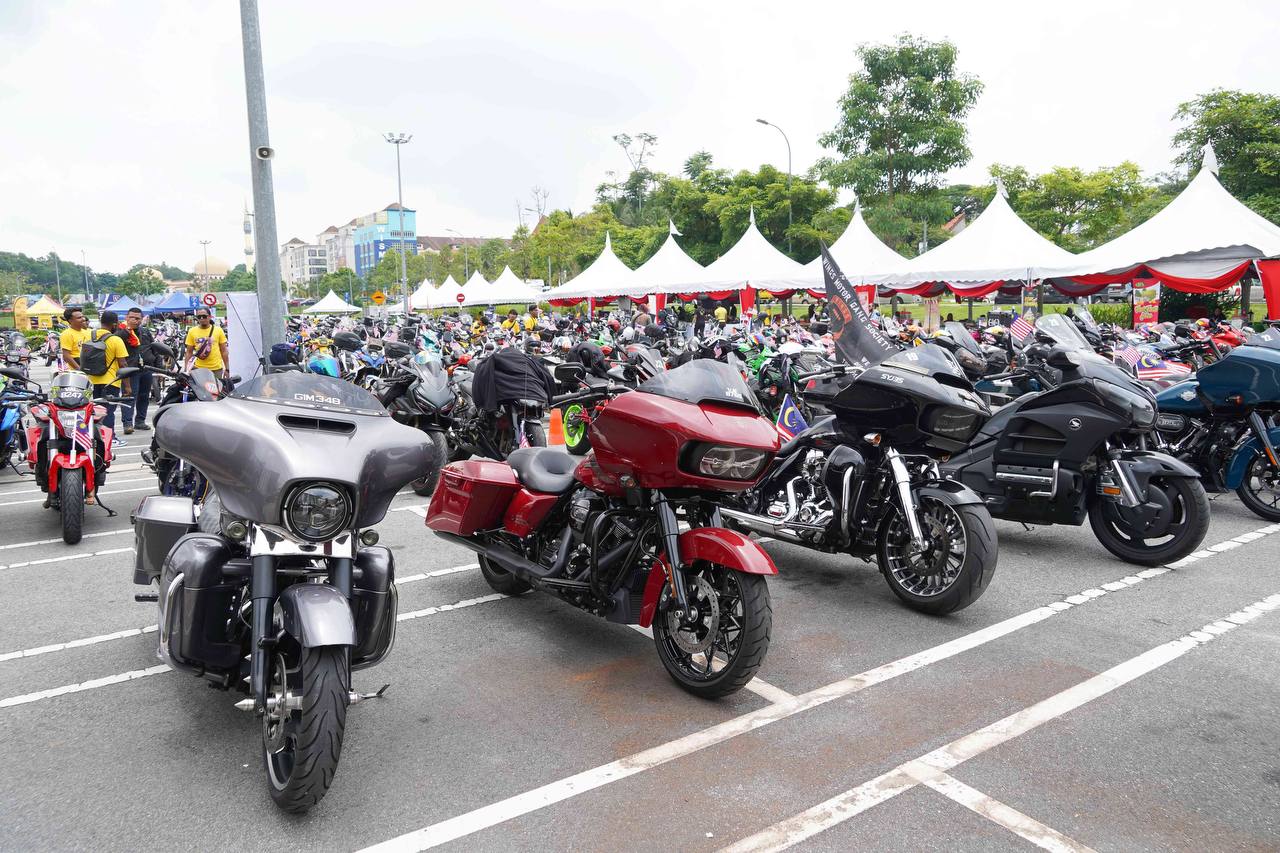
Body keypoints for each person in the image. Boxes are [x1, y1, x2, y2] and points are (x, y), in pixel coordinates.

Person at [85, 310, 131, 454]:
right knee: (108, 412)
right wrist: (127, 386)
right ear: (115, 323)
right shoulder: (116, 340)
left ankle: (95, 437)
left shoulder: (90, 335)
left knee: (96, 411)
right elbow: (123, 364)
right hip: (110, 381)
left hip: (92, 380)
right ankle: (110, 438)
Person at [121, 307, 155, 433]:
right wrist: (127, 330)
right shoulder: (121, 333)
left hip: (146, 368)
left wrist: (158, 367)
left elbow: (153, 348)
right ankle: (127, 423)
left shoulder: (145, 332)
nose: (134, 320)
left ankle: (140, 421)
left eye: (137, 318)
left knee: (144, 396)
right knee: (129, 396)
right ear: (126, 317)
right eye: (131, 317)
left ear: (141, 319)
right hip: (129, 370)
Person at [184, 308, 229, 378]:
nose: (201, 319)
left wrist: (227, 369)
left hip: (216, 370)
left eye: (204, 316)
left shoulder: (218, 330)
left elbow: (224, 351)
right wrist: (186, 369)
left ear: (210, 317)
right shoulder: (192, 331)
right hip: (198, 369)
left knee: (217, 389)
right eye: (199, 317)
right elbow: (189, 352)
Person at [58, 306, 91, 371]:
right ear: (70, 320)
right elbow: (66, 355)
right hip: (77, 371)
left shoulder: (88, 332)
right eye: (79, 318)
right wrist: (79, 369)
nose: (83, 319)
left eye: (82, 316)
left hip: (89, 367)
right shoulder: (67, 334)